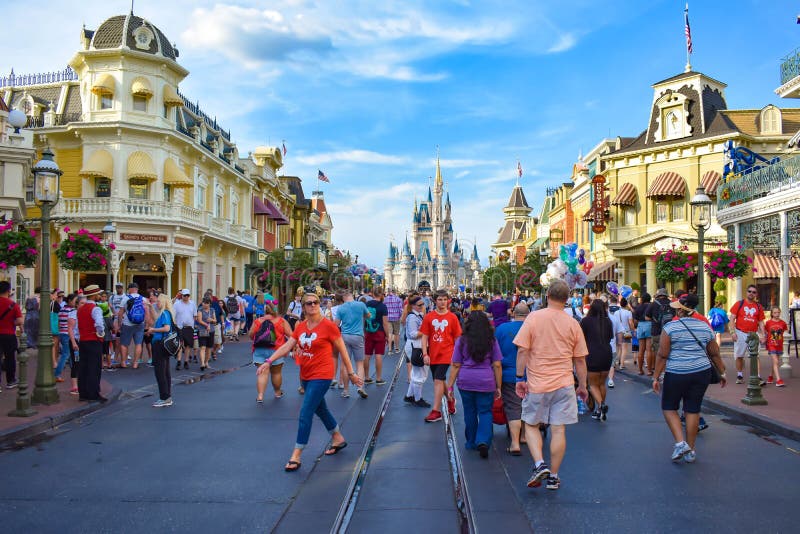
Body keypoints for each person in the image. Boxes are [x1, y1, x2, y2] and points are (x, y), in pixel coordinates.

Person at [256, 291, 364, 472]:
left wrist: (351, 373)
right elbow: (287, 346)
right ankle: (338, 438)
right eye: (309, 303)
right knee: (320, 409)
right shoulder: (301, 326)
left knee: (305, 412)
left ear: (319, 304)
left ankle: (296, 455)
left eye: (315, 302)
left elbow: (342, 350)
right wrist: (268, 361)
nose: (313, 305)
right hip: (306, 375)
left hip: (322, 375)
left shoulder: (329, 326)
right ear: (303, 307)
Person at [513, 279, 589, 491]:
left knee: (530, 424)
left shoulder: (534, 318)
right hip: (564, 383)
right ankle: (554, 476)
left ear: (547, 295)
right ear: (567, 299)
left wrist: (520, 378)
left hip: (538, 382)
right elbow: (580, 359)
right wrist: (582, 385)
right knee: (558, 429)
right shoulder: (573, 323)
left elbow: (522, 350)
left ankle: (539, 464)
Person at [652, 293, 727, 463]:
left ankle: (680, 443)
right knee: (692, 409)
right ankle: (691, 450)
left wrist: (656, 377)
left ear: (681, 310)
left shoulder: (670, 328)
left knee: (669, 407)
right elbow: (714, 353)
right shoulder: (705, 327)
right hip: (701, 372)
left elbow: (662, 355)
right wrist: (721, 372)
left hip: (677, 372)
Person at [446, 311, 503, 458]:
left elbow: (456, 365)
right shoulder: (491, 340)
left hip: (466, 381)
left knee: (469, 411)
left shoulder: (462, 340)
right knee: (485, 411)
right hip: (486, 381)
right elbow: (497, 364)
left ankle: (471, 441)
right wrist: (498, 386)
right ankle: (483, 440)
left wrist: (450, 386)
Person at [420, 290, 463, 423]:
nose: (442, 302)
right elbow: (424, 336)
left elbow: (458, 338)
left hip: (447, 353)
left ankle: (436, 411)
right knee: (440, 380)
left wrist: (458, 356)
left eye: (445, 299)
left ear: (448, 301)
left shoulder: (452, 317)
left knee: (438, 380)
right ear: (435, 301)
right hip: (433, 353)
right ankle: (450, 400)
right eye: (440, 299)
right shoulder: (429, 317)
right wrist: (425, 353)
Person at [494, 302, 530, 455]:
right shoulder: (533, 329)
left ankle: (515, 443)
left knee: (514, 407)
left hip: (509, 375)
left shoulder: (502, 329)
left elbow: (495, 353)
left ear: (513, 313)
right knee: (528, 407)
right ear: (528, 315)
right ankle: (524, 436)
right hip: (531, 374)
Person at [250, 304, 293, 401]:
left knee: (262, 373)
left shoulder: (258, 321)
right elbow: (291, 335)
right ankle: (277, 392)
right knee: (276, 373)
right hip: (277, 350)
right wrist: (291, 348)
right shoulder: (281, 321)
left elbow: (251, 335)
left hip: (260, 349)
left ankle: (260, 396)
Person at [581, 300, 615, 421]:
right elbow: (611, 337)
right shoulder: (608, 321)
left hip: (592, 354)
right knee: (601, 383)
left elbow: (581, 338)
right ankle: (600, 409)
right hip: (606, 353)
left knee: (593, 384)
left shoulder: (585, 321)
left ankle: (601, 405)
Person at [334, 290, 371, 399]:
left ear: (343, 298)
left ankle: (346, 391)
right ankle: (360, 387)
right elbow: (368, 316)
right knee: (359, 363)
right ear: (352, 296)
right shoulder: (361, 305)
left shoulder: (340, 308)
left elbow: (336, 324)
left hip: (345, 336)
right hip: (358, 336)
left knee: (346, 363)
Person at [729, 285, 766, 384]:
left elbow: (761, 322)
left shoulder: (758, 306)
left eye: (754, 292)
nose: (751, 293)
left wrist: (763, 335)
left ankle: (758, 377)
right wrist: (732, 332)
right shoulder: (739, 304)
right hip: (740, 332)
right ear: (746, 292)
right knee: (739, 356)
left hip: (753, 334)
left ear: (756, 294)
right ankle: (740, 375)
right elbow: (732, 319)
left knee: (756, 356)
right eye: (750, 291)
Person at [77, 285, 107, 402]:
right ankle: (93, 393)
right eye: (98, 294)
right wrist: (101, 332)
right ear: (95, 296)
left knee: (83, 367)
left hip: (83, 340)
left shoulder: (80, 309)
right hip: (93, 340)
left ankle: (83, 392)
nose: (99, 296)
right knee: (94, 367)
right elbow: (99, 324)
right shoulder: (96, 309)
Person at [145, 293, 174, 407]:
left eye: (159, 301)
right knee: (165, 371)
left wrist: (153, 330)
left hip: (160, 344)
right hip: (162, 344)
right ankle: (167, 396)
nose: (158, 302)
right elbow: (156, 319)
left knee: (160, 372)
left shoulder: (165, 313)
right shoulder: (165, 313)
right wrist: (151, 307)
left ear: (164, 302)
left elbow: (166, 328)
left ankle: (164, 397)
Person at [403, 295, 430, 407]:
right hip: (415, 346)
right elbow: (412, 334)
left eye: (423, 304)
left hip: (417, 346)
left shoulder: (419, 316)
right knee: (420, 372)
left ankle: (409, 396)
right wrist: (426, 331)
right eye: (419, 305)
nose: (422, 306)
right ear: (413, 306)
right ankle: (418, 399)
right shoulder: (413, 317)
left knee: (416, 372)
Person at [117, 282, 146, 369]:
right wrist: (147, 324)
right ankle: (135, 363)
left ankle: (123, 362)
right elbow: (147, 313)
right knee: (138, 344)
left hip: (127, 324)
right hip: (140, 324)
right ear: (137, 289)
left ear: (129, 289)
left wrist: (119, 324)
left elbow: (120, 313)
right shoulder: (143, 299)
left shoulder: (125, 298)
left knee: (124, 344)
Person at [364, 286, 390, 385]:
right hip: (379, 332)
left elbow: (364, 318)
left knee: (367, 355)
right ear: (382, 294)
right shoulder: (383, 306)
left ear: (372, 293)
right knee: (378, 355)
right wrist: (387, 335)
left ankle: (366, 377)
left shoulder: (367, 304)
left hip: (368, 331)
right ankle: (378, 378)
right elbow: (385, 323)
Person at [0, 281, 23, 390]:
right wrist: (10, 322)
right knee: (10, 358)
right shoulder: (13, 305)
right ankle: (11, 380)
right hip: (9, 334)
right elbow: (19, 321)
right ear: (9, 291)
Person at [173, 289, 196, 370]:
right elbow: (173, 315)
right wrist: (174, 324)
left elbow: (194, 315)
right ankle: (179, 361)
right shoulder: (177, 304)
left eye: (187, 295)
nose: (186, 297)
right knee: (179, 344)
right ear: (181, 295)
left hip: (189, 327)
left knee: (188, 345)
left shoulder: (192, 304)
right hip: (179, 327)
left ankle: (186, 361)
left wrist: (194, 325)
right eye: (184, 295)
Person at [765, 307, 788, 387]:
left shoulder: (783, 323)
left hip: (779, 345)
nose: (777, 314)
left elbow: (784, 331)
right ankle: (778, 380)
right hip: (771, 345)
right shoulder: (768, 323)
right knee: (776, 361)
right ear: (772, 313)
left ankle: (771, 376)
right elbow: (765, 331)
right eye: (775, 313)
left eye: (778, 312)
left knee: (776, 362)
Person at [632, 292, 652, 375]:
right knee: (649, 350)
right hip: (649, 325)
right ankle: (649, 371)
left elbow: (635, 320)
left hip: (640, 325)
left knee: (641, 350)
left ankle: (640, 370)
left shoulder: (638, 307)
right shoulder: (651, 306)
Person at [195, 297, 217, 371]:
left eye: (207, 303)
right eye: (204, 303)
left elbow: (215, 320)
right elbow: (199, 320)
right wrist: (206, 325)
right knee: (202, 347)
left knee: (209, 348)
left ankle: (206, 362)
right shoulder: (200, 310)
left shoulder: (212, 310)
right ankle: (202, 364)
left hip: (211, 331)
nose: (205, 304)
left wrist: (212, 320)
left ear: (210, 304)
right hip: (202, 330)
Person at [384, 288, 404, 354]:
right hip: (396, 318)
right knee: (396, 334)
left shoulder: (385, 299)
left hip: (388, 318)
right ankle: (397, 348)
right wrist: (400, 316)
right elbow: (401, 310)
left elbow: (384, 309)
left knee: (389, 333)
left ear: (389, 292)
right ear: (395, 292)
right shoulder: (398, 299)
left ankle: (389, 350)